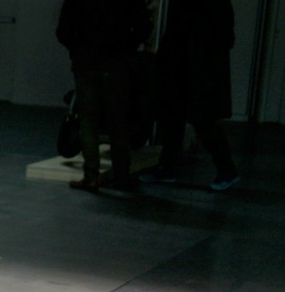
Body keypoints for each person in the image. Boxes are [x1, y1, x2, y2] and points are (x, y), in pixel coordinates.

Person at [140, 0, 239, 191]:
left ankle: (225, 169)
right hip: (187, 65)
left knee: (198, 119)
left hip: (194, 66)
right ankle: (171, 166)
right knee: (179, 118)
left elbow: (221, 36)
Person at [57, 0, 151, 193]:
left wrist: (77, 50)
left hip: (86, 62)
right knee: (118, 120)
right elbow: (144, 27)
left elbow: (63, 31)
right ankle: (121, 177)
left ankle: (91, 176)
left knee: (88, 121)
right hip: (117, 64)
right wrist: (127, 48)